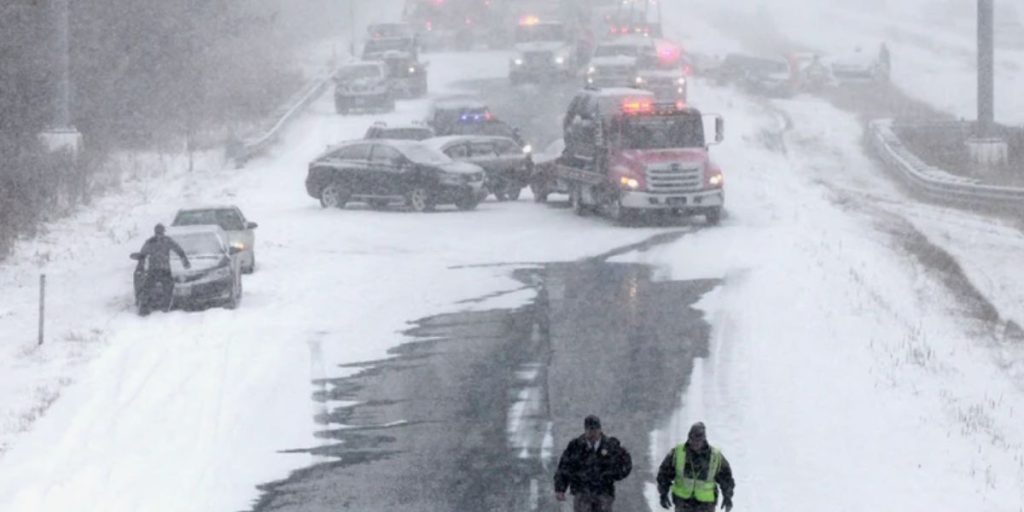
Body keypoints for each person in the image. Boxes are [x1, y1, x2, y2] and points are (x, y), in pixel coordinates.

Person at [554, 415, 632, 512]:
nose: (592, 434)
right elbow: (564, 467)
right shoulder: (575, 446)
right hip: (582, 491)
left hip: (604, 492)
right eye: (589, 430)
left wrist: (612, 475)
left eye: (595, 430)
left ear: (599, 430)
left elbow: (625, 463)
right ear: (585, 430)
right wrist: (560, 488)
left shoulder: (610, 446)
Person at [656, 422, 735, 512]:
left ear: (704, 440)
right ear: (689, 438)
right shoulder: (678, 453)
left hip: (706, 505)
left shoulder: (715, 456)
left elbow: (726, 478)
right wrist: (663, 493)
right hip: (683, 503)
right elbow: (664, 473)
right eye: (693, 440)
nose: (695, 443)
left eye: (698, 440)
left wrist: (728, 496)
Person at [138, 223, 190, 314]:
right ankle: (165, 307)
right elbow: (179, 250)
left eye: (160, 232)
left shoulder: (150, 242)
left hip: (154, 269)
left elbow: (142, 255)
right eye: (160, 232)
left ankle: (145, 307)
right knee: (167, 289)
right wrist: (184, 260)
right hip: (164, 269)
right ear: (163, 231)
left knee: (148, 289)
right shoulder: (167, 240)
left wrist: (141, 265)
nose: (159, 234)